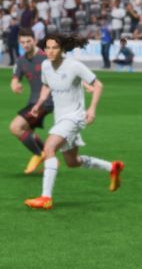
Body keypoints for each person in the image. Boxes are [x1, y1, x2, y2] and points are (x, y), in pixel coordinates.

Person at [24, 34, 123, 210]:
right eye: (48, 47)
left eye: (55, 47)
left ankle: (46, 197)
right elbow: (46, 86)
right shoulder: (46, 65)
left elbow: (98, 85)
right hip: (60, 118)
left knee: (49, 148)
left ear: (62, 49)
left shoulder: (74, 66)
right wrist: (38, 104)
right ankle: (112, 167)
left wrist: (92, 109)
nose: (51, 51)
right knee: (72, 162)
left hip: (74, 117)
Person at [9, 30, 51, 175]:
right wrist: (15, 85)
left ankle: (39, 154)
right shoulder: (21, 61)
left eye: (28, 41)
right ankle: (49, 159)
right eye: (23, 42)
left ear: (34, 40)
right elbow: (15, 79)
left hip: (47, 101)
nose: (26, 45)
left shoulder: (46, 57)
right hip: (33, 102)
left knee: (15, 127)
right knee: (27, 131)